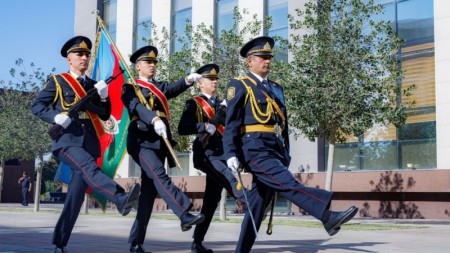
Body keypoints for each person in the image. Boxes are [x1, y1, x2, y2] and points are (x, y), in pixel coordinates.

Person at [223, 36, 359, 253]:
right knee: (288, 183)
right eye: (262, 57)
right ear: (250, 61)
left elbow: (282, 125)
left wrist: (285, 153)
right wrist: (230, 153)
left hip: (273, 150)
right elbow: (231, 123)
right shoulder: (239, 85)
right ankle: (327, 215)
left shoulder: (276, 88)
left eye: (269, 57)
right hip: (254, 150)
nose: (267, 61)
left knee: (256, 207)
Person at [31, 36, 141, 253]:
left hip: (89, 143)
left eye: (87, 55)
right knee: (89, 169)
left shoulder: (92, 84)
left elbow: (105, 113)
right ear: (69, 59)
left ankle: (59, 244)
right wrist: (55, 117)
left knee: (75, 196)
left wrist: (103, 96)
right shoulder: (58, 81)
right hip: (67, 142)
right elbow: (37, 106)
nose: (84, 58)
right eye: (79, 54)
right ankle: (119, 197)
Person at [121, 45, 205, 253]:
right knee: (160, 176)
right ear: (138, 66)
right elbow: (136, 107)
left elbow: (171, 89)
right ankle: (184, 213)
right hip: (141, 142)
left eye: (154, 63)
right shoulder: (130, 87)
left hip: (159, 142)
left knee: (148, 196)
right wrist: (153, 118)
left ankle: (135, 244)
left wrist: (188, 80)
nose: (152, 65)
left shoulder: (157, 87)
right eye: (148, 62)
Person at [178, 64, 245, 253]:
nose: (215, 82)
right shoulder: (194, 103)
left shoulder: (223, 104)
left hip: (222, 153)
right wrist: (203, 126)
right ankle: (247, 202)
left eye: (216, 80)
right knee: (227, 175)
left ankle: (197, 242)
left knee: (211, 199)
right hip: (206, 154)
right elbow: (183, 128)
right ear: (200, 83)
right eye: (210, 79)